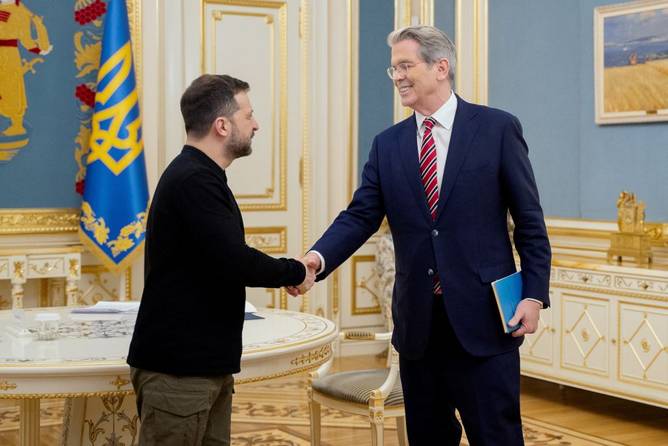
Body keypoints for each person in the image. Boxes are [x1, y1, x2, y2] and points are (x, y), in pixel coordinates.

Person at [295, 26, 551, 445]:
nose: (396, 75)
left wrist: (534, 294)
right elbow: (360, 216)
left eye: (405, 65)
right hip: (419, 328)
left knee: (497, 437)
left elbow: (530, 222)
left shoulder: (497, 128)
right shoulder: (387, 145)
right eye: (392, 67)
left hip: (485, 322)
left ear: (440, 67)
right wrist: (316, 259)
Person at [127, 74, 315, 446]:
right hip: (179, 372)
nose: (256, 124)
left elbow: (217, 260)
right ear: (222, 125)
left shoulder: (201, 176)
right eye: (249, 115)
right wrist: (294, 271)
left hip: (200, 364)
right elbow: (234, 260)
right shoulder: (194, 180)